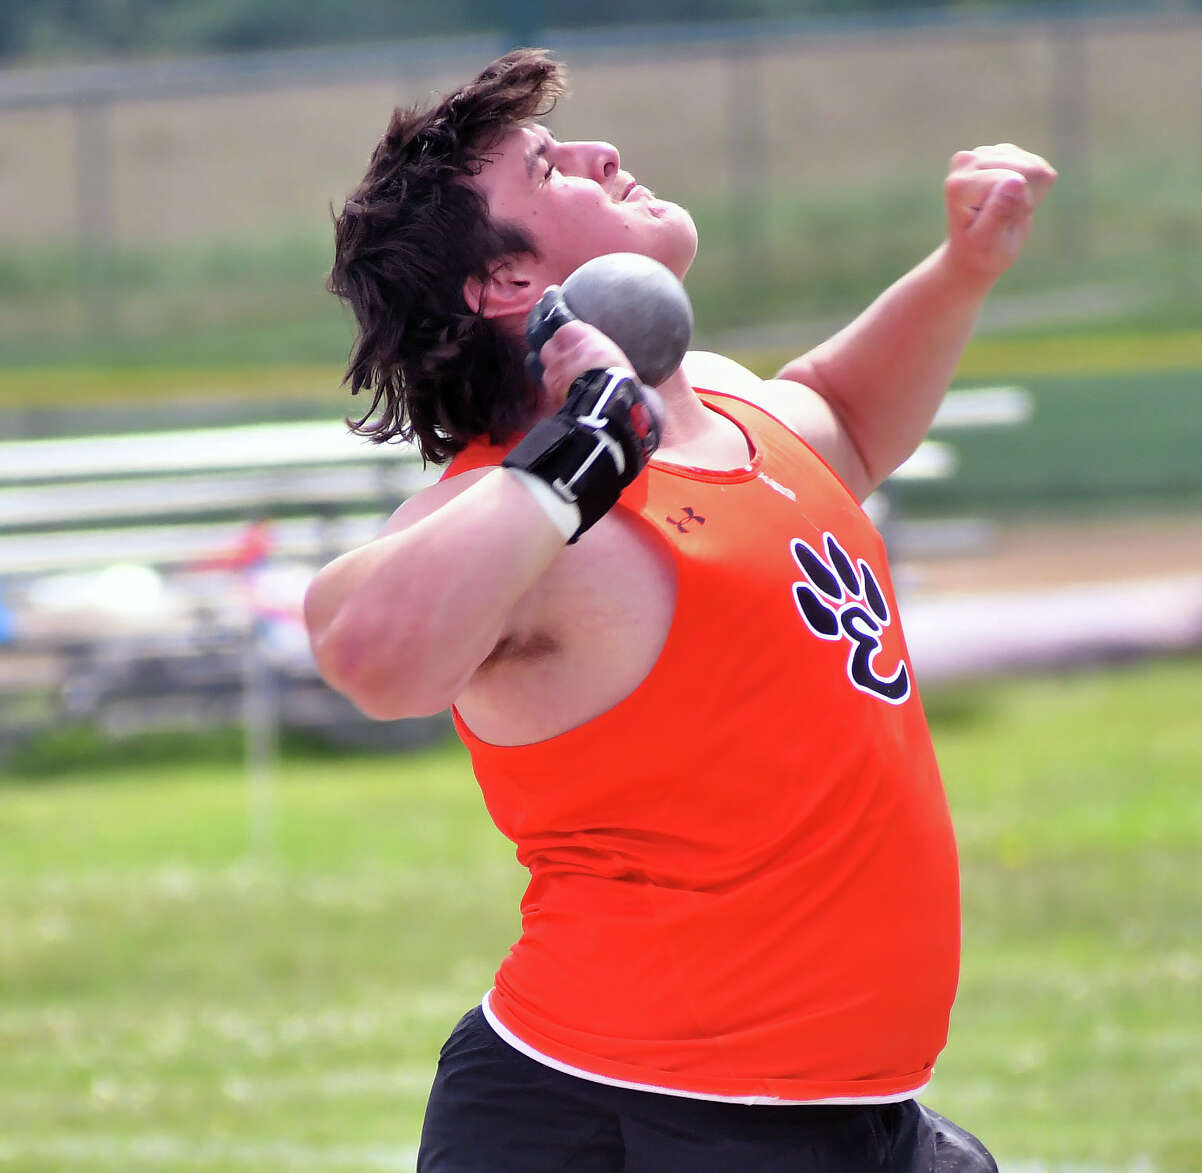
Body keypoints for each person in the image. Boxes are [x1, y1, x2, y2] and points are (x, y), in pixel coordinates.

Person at [307, 48, 1055, 1173]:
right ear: (506, 284)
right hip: (629, 1113)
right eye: (550, 167)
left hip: (825, 1111)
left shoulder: (730, 405)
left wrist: (961, 267)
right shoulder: (520, 508)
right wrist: (570, 465)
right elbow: (368, 652)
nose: (605, 155)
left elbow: (843, 418)